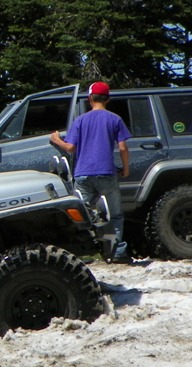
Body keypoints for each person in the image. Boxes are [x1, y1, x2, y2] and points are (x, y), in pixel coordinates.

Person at [50, 81, 131, 263]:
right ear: (108, 99)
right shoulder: (114, 119)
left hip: (83, 174)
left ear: (90, 99)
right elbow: (123, 147)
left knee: (82, 215)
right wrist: (125, 169)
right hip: (107, 173)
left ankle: (83, 253)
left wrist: (56, 139)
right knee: (115, 215)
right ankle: (117, 254)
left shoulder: (80, 120)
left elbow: (70, 148)